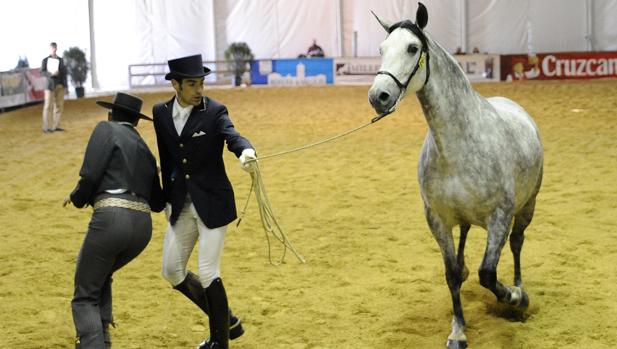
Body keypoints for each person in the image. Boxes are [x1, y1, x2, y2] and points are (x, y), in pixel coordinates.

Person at [152, 54, 256, 349]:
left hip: (212, 202)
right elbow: (167, 157)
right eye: (191, 84)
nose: (199, 90)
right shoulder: (160, 113)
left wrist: (245, 151)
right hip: (181, 203)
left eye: (201, 83)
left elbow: (232, 135)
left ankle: (219, 342)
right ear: (175, 85)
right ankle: (228, 322)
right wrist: (165, 199)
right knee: (171, 270)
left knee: (209, 271)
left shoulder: (215, 111)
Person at [64, 92, 165, 348]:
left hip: (111, 217)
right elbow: (157, 203)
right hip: (142, 228)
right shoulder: (146, 151)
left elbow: (90, 174)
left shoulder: (105, 129)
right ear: (137, 122)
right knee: (101, 276)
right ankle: (103, 340)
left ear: (111, 114)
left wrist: (77, 198)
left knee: (85, 294)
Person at [41, 42, 67, 133]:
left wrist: (59, 72)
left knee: (59, 106)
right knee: (48, 106)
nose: (54, 49)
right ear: (50, 49)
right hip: (50, 85)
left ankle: (56, 126)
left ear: (56, 48)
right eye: (52, 48)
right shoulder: (45, 60)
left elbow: (64, 72)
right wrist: (50, 74)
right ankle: (46, 127)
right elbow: (42, 72)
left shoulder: (61, 60)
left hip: (60, 85)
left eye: (55, 47)